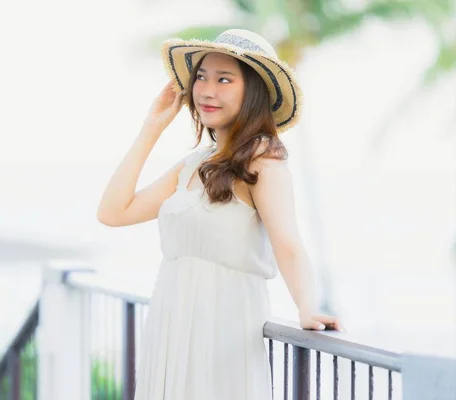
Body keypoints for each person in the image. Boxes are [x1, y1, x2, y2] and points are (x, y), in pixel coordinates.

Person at [97, 29, 344, 400]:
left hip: (222, 335)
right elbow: (113, 212)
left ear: (253, 92)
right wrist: (151, 128)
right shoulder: (194, 164)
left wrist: (307, 306)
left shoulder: (263, 160)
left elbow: (288, 242)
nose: (207, 90)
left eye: (224, 79)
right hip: (170, 329)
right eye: (201, 77)